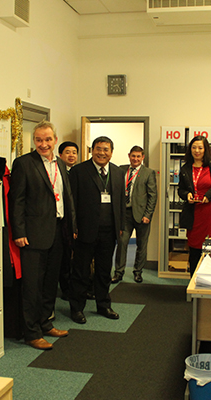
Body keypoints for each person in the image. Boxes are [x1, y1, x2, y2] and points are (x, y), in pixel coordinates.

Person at [8, 121, 75, 350]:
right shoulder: (24, 164)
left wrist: (72, 226)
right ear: (34, 141)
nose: (43, 144)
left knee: (49, 283)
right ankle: (31, 332)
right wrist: (19, 231)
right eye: (38, 140)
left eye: (47, 139)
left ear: (55, 140)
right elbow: (16, 201)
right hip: (33, 234)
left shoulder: (61, 164)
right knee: (32, 286)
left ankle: (46, 323)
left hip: (58, 231)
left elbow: (66, 197)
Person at [69, 136, 124, 324]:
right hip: (84, 231)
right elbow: (71, 202)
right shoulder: (78, 171)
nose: (102, 153)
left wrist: (120, 227)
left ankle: (103, 305)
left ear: (111, 152)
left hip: (109, 231)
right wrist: (73, 226)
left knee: (104, 271)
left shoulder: (118, 172)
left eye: (106, 149)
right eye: (98, 149)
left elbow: (120, 202)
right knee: (81, 272)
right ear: (92, 150)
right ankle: (77, 308)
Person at [178, 135, 211, 277]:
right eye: (194, 147)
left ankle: (210, 280)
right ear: (190, 149)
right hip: (193, 214)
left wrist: (210, 194)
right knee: (194, 249)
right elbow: (180, 189)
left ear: (205, 149)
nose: (197, 151)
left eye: (200, 148)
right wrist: (187, 195)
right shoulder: (185, 168)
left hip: (210, 213)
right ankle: (194, 280)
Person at [112, 146, 158, 283]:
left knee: (141, 245)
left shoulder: (148, 173)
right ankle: (118, 272)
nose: (135, 159)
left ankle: (138, 272)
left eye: (138, 156)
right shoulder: (121, 170)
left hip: (142, 214)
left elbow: (152, 196)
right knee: (122, 243)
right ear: (129, 156)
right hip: (124, 214)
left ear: (142, 157)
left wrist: (148, 215)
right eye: (133, 156)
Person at [57, 141, 79, 301]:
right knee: (64, 258)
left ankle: (77, 287)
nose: (71, 155)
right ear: (60, 155)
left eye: (74, 152)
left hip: (77, 220)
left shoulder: (79, 172)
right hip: (63, 222)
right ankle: (66, 289)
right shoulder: (57, 172)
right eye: (67, 152)